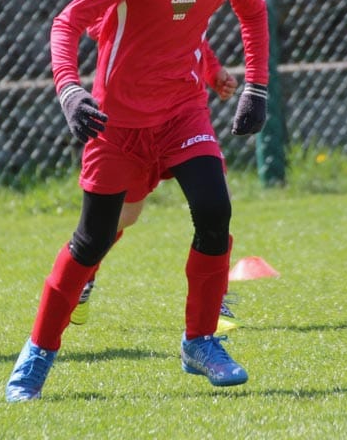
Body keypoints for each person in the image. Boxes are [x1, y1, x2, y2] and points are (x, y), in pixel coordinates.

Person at [6, 0, 269, 402]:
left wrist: (255, 85)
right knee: (92, 240)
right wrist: (70, 90)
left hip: (182, 112)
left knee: (215, 211)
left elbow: (251, 11)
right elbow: (67, 23)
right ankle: (38, 353)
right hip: (118, 124)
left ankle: (200, 341)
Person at [69, 40, 241, 334]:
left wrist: (213, 71)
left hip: (186, 117)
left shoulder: (192, 6)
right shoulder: (122, 10)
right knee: (125, 215)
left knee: (216, 202)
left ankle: (215, 303)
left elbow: (192, 35)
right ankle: (84, 271)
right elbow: (103, 32)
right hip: (136, 121)